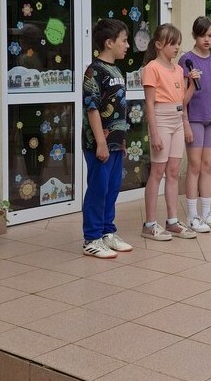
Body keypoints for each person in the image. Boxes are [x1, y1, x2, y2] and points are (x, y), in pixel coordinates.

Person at [82, 18, 133, 259]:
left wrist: (120, 142)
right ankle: (91, 238)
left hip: (115, 142)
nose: (127, 45)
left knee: (112, 189)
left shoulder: (117, 71)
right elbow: (92, 108)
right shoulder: (94, 71)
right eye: (124, 40)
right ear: (109, 42)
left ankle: (107, 232)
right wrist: (101, 142)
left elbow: (119, 109)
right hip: (98, 144)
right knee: (98, 189)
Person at [141, 23, 197, 241]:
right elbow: (149, 103)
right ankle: (149, 224)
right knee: (157, 172)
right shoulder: (152, 68)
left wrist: (192, 84)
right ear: (158, 44)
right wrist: (154, 133)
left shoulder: (179, 70)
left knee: (173, 172)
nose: (176, 48)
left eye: (178, 44)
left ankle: (172, 221)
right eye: (172, 43)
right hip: (161, 120)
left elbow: (182, 101)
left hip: (177, 120)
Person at [179, 16, 211, 232]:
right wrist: (185, 123)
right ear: (194, 36)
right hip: (195, 119)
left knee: (207, 165)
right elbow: (182, 97)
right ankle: (193, 216)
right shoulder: (186, 60)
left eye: (210, 35)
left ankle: (207, 213)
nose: (207, 40)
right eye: (202, 35)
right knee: (195, 165)